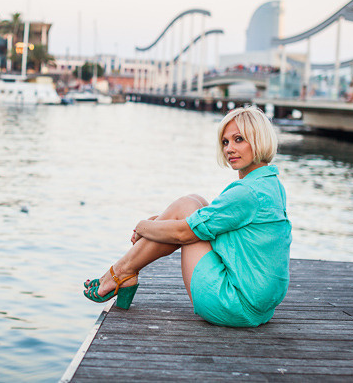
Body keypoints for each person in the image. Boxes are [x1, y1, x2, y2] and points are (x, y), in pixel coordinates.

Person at [83, 106, 292, 327]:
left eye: (238, 139)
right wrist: (159, 223)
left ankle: (121, 273)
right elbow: (210, 221)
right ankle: (124, 272)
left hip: (233, 304)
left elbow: (184, 233)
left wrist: (142, 226)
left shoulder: (246, 193)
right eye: (225, 142)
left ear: (259, 140)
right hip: (260, 308)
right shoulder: (271, 184)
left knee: (187, 207)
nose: (229, 148)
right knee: (195, 201)